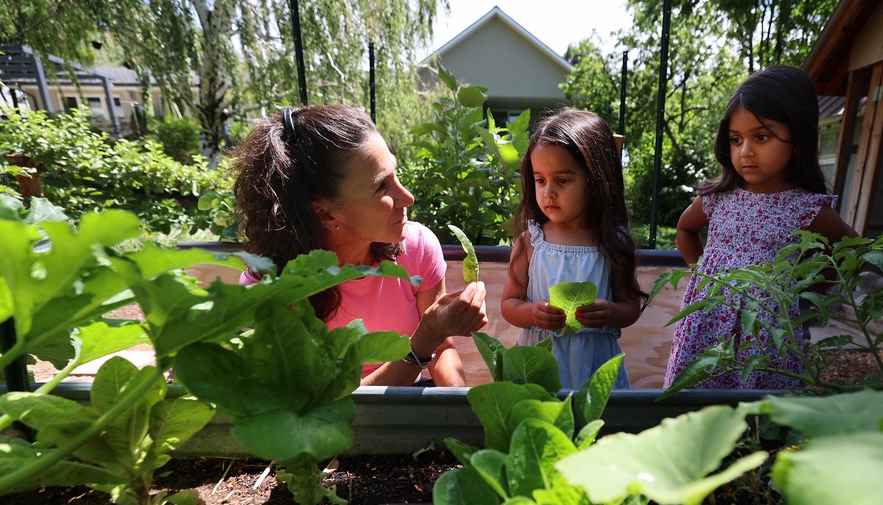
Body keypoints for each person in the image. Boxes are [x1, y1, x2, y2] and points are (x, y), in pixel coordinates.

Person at [232, 105, 487, 387]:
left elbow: (442, 351)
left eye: (396, 174)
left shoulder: (416, 247)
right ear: (326, 214)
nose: (408, 197)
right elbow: (324, 407)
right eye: (381, 186)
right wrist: (424, 338)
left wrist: (465, 415)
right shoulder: (270, 288)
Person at [663, 66, 859, 390]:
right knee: (698, 406)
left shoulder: (806, 208)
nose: (745, 152)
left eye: (762, 137)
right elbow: (685, 230)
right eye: (736, 139)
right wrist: (704, 275)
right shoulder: (719, 198)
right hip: (707, 324)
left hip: (768, 337)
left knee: (758, 422)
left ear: (798, 139)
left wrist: (808, 287)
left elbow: (854, 249)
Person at [501, 109, 646, 389]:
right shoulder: (531, 242)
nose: (548, 192)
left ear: (596, 181)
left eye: (563, 180)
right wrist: (533, 314)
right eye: (540, 180)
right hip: (540, 367)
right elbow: (509, 304)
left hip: (595, 368)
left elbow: (631, 307)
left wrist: (609, 312)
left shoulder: (612, 244)